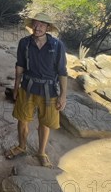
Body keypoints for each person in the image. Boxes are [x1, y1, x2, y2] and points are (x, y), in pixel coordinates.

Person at [5, 13, 68, 168]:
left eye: (42, 24)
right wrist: (16, 87)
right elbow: (19, 66)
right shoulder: (25, 43)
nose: (37, 27)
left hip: (49, 91)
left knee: (45, 123)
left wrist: (63, 96)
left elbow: (62, 71)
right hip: (27, 88)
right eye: (35, 23)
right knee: (22, 120)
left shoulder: (56, 45)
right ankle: (21, 146)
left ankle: (41, 152)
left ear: (48, 28)